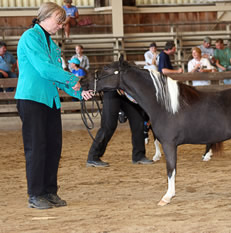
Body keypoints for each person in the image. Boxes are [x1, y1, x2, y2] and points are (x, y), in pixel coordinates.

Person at [15, 2, 93, 210]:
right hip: (31, 99)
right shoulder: (30, 38)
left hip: (50, 100)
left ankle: (50, 191)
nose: (61, 26)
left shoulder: (53, 45)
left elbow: (57, 78)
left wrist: (79, 92)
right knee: (37, 147)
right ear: (46, 17)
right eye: (59, 21)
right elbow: (44, 69)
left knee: (53, 147)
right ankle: (35, 194)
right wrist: (71, 78)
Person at [86, 90, 154, 167]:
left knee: (138, 121)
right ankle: (93, 157)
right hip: (111, 91)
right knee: (108, 125)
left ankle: (139, 155)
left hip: (128, 92)